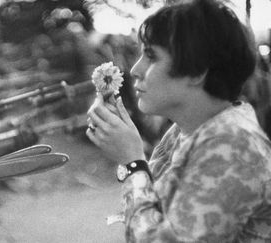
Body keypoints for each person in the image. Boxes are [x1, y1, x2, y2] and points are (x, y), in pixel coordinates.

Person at [86, 0, 271, 242]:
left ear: (197, 71)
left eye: (151, 56)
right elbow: (153, 210)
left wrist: (132, 162)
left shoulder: (233, 145)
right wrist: (129, 153)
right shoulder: (186, 131)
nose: (134, 70)